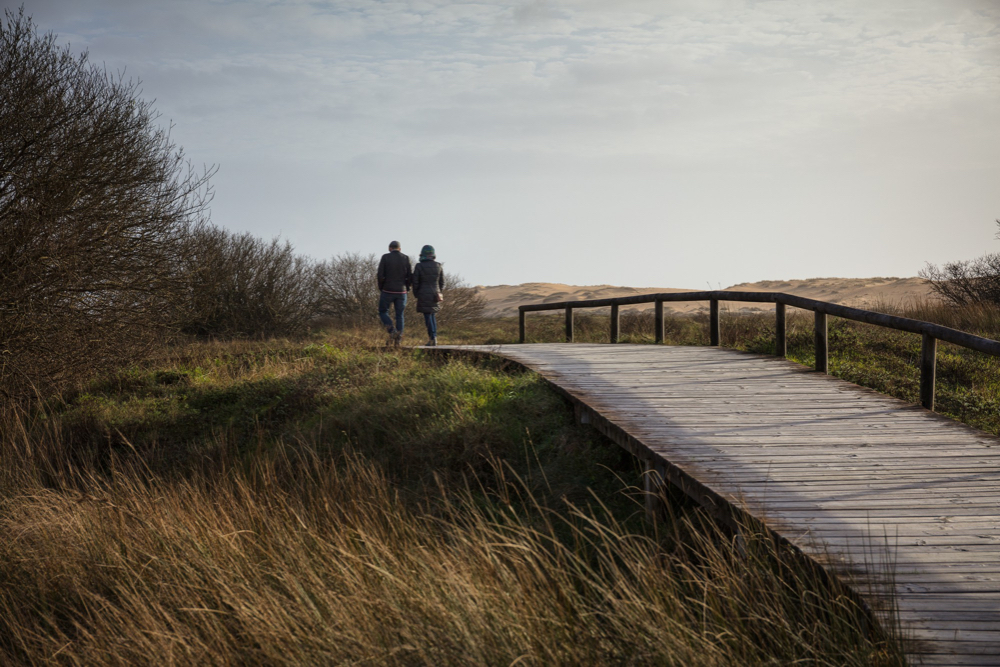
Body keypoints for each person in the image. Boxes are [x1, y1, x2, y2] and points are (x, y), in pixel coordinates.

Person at [377, 240, 412, 347]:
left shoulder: (385, 257)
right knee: (400, 315)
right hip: (402, 291)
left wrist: (381, 287)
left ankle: (392, 331)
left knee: (383, 312)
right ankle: (398, 339)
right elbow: (410, 275)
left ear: (389, 248)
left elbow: (380, 275)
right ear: (400, 249)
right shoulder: (406, 258)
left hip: (387, 290)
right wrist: (407, 288)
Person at [412, 244, 445, 346]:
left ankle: (432, 338)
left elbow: (415, 282)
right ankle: (434, 336)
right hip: (435, 295)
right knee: (432, 315)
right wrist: (439, 292)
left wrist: (416, 294)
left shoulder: (419, 266)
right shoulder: (438, 266)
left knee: (427, 316)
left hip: (423, 294)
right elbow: (442, 282)